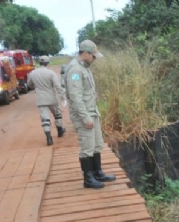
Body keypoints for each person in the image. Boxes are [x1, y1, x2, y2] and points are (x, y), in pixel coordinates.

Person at [65, 39, 116, 189]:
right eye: (93, 56)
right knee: (87, 146)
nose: (94, 59)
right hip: (83, 114)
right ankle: (88, 178)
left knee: (97, 144)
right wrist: (85, 117)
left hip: (92, 111)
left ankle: (97, 172)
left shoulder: (85, 67)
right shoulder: (75, 70)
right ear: (86, 53)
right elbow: (75, 97)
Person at [27, 56, 66, 146]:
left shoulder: (32, 73)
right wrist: (63, 97)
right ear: (48, 63)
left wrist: (36, 87)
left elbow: (29, 85)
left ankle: (48, 137)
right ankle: (60, 130)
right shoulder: (51, 73)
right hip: (52, 97)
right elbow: (57, 86)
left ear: (39, 62)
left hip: (40, 98)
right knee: (57, 114)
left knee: (45, 118)